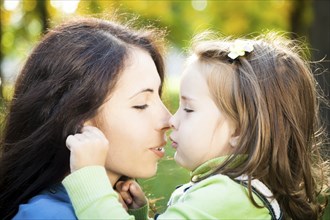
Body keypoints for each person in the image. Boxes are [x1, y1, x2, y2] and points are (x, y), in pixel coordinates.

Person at [63, 32, 329, 220]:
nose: (172, 120)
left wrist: (90, 179)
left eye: (188, 109)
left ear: (239, 130)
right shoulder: (236, 194)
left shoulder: (228, 196)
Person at [0, 17, 171, 219]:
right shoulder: (48, 215)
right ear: (78, 119)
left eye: (159, 97)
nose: (169, 120)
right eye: (141, 104)